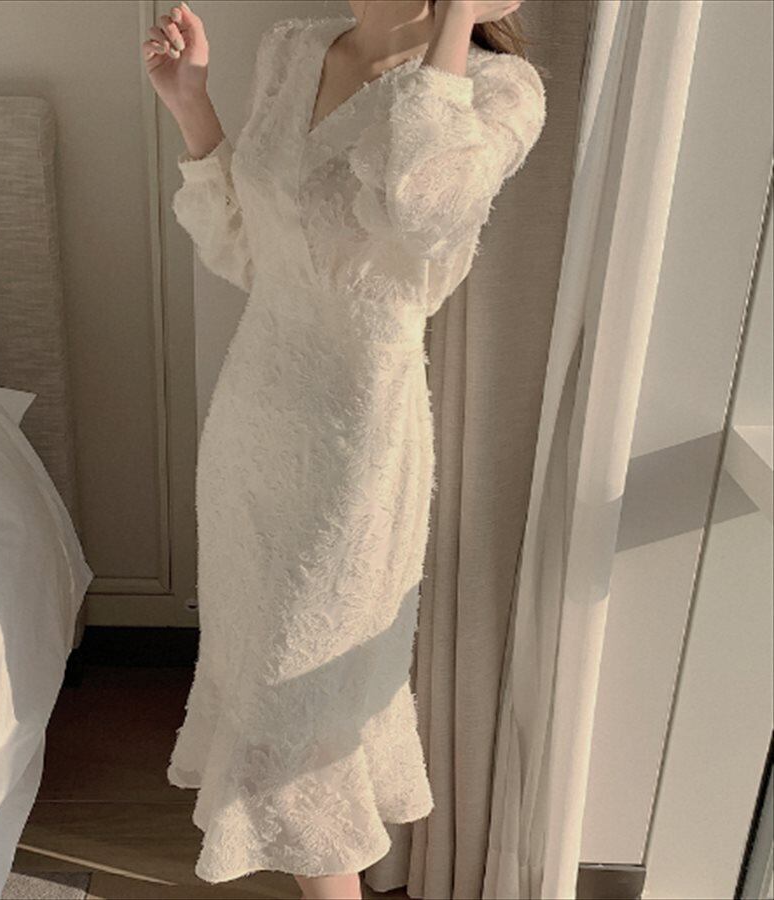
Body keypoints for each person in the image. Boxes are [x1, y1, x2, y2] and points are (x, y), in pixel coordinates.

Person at [143, 1, 545, 897]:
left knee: (301, 702)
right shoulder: (294, 48)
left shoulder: (501, 90)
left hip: (355, 438)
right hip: (254, 419)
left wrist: (455, 21)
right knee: (267, 681)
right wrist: (191, 103)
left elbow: (427, 206)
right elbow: (248, 249)